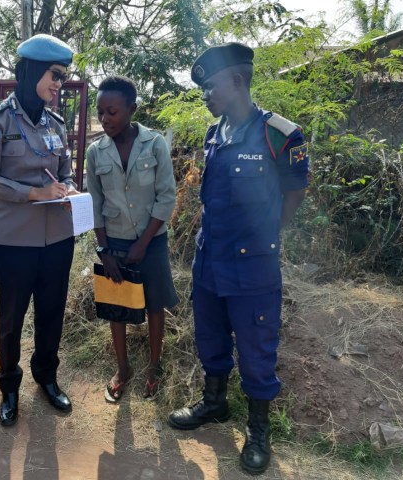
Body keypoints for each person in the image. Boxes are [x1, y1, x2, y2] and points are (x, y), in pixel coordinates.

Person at [167, 43, 309, 475]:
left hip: (253, 266)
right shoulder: (215, 135)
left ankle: (258, 431)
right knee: (210, 338)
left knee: (256, 349)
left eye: (210, 86)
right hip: (210, 261)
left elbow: (295, 193)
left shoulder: (279, 134)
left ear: (237, 81)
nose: (205, 95)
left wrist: (267, 234)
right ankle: (214, 404)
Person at [0, 34, 78, 427]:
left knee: (51, 314)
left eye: (62, 77)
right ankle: (9, 387)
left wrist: (68, 187)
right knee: (11, 318)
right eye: (54, 75)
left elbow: (64, 171)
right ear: (32, 70)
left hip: (57, 240)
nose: (58, 84)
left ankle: (47, 379)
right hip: (14, 240)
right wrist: (35, 193)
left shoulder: (56, 122)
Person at [86, 75, 178, 402]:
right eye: (100, 112)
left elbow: (167, 197)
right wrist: (103, 249)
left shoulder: (154, 145)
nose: (105, 118)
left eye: (112, 111)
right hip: (115, 243)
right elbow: (93, 203)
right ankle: (122, 369)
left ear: (131, 109)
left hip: (151, 241)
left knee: (154, 305)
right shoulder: (95, 152)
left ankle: (154, 367)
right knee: (116, 307)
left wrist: (143, 243)